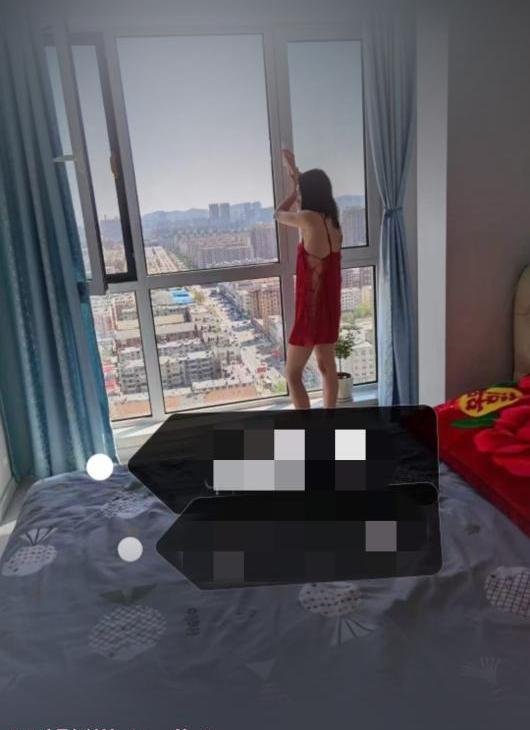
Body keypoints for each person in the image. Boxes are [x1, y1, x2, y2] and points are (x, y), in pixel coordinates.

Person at [274, 149, 342, 409]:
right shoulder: (333, 222)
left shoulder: (307, 218)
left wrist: (293, 190)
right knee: (327, 367)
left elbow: (278, 214)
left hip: (311, 309)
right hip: (329, 308)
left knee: (293, 374)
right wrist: (295, 172)